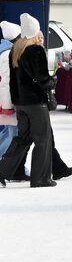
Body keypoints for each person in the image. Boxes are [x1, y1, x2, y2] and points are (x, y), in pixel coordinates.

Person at [0, 15, 72, 187]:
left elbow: (12, 81)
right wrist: (53, 80)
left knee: (23, 138)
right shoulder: (35, 50)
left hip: (20, 103)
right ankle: (41, 178)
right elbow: (42, 79)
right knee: (43, 139)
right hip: (35, 103)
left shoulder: (16, 50)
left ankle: (2, 170)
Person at [0, 21, 18, 165]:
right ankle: (10, 165)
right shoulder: (7, 54)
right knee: (13, 134)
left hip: (5, 99)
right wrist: (7, 106)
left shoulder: (4, 51)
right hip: (7, 100)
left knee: (8, 132)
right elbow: (6, 82)